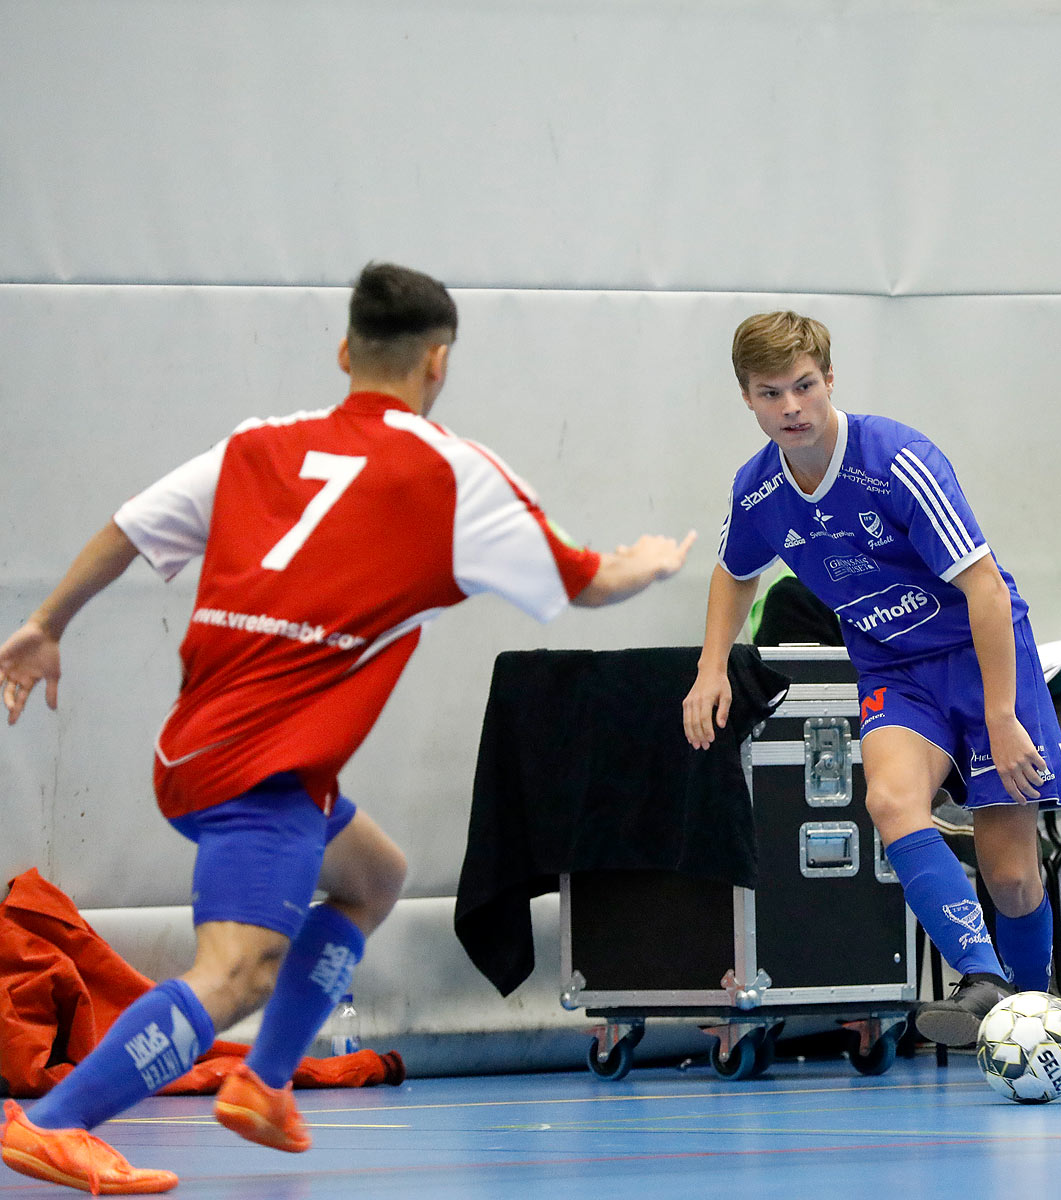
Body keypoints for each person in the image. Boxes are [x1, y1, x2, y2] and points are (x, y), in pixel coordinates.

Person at [0, 263, 695, 1194]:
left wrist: (46, 626)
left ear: (344, 352)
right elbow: (590, 583)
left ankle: (264, 1084)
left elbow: (129, 527)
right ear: (438, 362)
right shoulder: (451, 472)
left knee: (374, 878)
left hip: (201, 745)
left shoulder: (260, 444)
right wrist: (645, 565)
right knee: (236, 971)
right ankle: (57, 1121)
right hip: (263, 769)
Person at [683, 311, 1061, 1048]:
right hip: (894, 665)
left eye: (803, 386)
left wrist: (999, 713)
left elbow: (984, 587)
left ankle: (1037, 1013)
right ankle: (982, 980)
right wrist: (709, 670)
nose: (791, 407)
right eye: (771, 393)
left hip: (981, 657)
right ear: (747, 399)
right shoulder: (758, 491)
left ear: (829, 381)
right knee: (890, 799)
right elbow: (734, 575)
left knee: (1012, 875)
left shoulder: (896, 460)